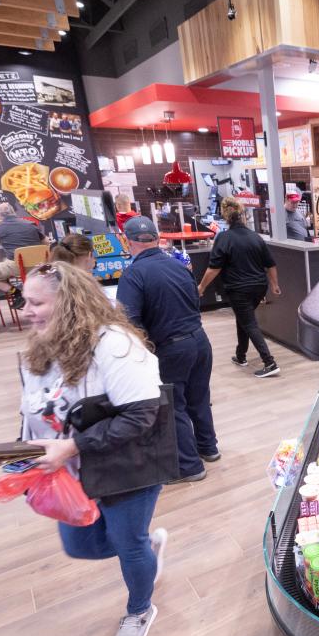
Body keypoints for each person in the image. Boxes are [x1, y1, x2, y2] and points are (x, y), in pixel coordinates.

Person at [19, 261, 174, 636]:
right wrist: (24, 448)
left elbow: (142, 415)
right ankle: (143, 546)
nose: (26, 311)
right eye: (24, 301)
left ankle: (140, 608)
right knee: (81, 545)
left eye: (36, 302)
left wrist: (71, 447)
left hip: (126, 464)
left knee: (127, 543)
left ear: (68, 303)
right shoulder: (40, 347)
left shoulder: (115, 345)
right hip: (72, 471)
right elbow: (36, 407)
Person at [116, 216, 219, 483]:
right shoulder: (179, 266)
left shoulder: (133, 275)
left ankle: (190, 467)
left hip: (170, 349)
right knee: (199, 398)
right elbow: (194, 300)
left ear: (127, 241)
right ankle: (209, 448)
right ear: (156, 238)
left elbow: (128, 322)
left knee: (174, 406)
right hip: (200, 340)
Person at [198, 197, 281, 378]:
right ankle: (240, 355)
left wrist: (202, 287)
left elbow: (214, 268)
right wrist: (274, 285)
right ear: (243, 216)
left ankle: (270, 362)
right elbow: (270, 264)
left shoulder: (224, 238)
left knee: (249, 322)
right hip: (259, 287)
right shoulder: (255, 237)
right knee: (244, 318)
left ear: (226, 217)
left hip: (239, 288)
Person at [0, 202, 46, 298]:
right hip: (38, 265)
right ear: (14, 212)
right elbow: (45, 242)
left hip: (15, 266)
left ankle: (16, 293)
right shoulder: (30, 224)